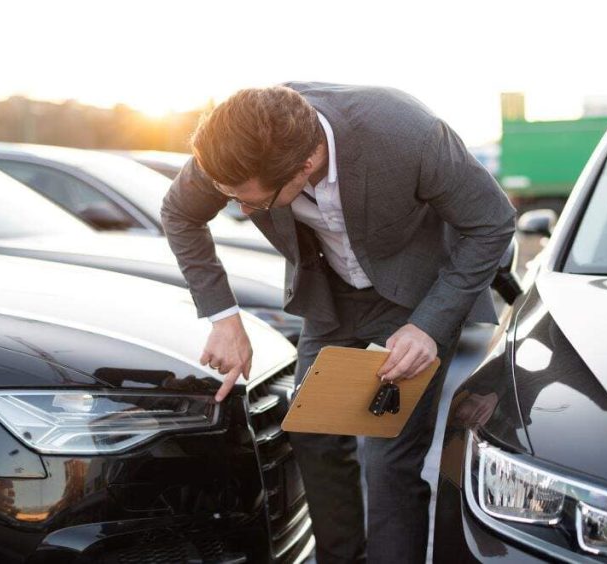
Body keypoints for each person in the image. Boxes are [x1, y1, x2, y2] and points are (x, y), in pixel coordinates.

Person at [161, 82, 515, 563]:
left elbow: (491, 220)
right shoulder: (237, 151)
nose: (242, 211)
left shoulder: (408, 134)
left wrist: (429, 326)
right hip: (330, 298)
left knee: (388, 458)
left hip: (415, 301)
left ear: (304, 165)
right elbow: (179, 213)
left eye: (254, 203)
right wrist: (224, 317)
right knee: (312, 430)